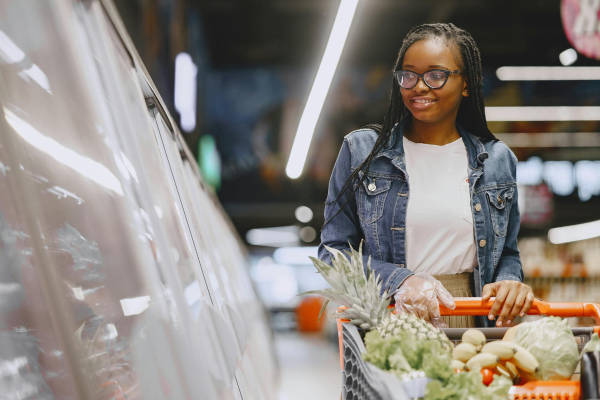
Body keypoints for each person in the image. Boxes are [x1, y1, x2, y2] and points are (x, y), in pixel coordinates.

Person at [318, 23, 534, 328]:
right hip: (391, 318)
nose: (419, 86)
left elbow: (507, 253)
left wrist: (510, 282)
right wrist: (400, 281)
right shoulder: (362, 152)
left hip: (471, 322)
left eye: (436, 75)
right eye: (409, 75)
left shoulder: (497, 160)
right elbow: (332, 256)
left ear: (467, 83)